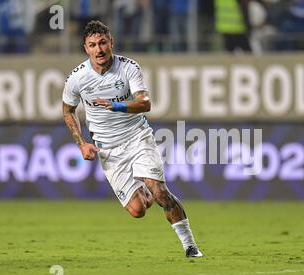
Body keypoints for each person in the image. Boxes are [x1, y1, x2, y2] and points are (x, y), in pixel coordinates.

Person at [61, 20, 203, 258]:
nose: (99, 50)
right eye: (93, 45)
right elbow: (68, 110)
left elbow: (145, 103)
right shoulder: (76, 78)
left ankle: (190, 246)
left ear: (111, 42)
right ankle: (143, 189)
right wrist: (81, 143)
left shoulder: (128, 68)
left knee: (159, 191)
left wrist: (115, 105)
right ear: (86, 48)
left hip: (137, 137)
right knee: (138, 210)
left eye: (103, 43)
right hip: (109, 150)